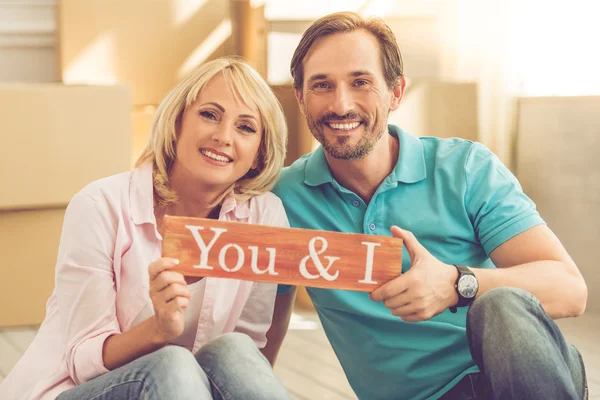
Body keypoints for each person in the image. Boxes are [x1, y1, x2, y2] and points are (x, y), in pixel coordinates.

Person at [268, 11, 589, 400]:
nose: (341, 103)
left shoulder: (466, 168)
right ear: (301, 98)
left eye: (361, 82)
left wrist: (456, 284)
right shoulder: (283, 200)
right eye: (322, 85)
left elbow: (570, 290)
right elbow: (262, 335)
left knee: (502, 304)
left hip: (517, 380)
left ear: (396, 93)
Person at [0, 56, 292, 400]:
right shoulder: (99, 205)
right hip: (75, 389)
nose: (223, 136)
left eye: (246, 127)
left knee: (236, 350)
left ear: (259, 153)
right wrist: (158, 329)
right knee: (173, 363)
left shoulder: (264, 215)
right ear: (178, 122)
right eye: (209, 114)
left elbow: (248, 354)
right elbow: (82, 360)